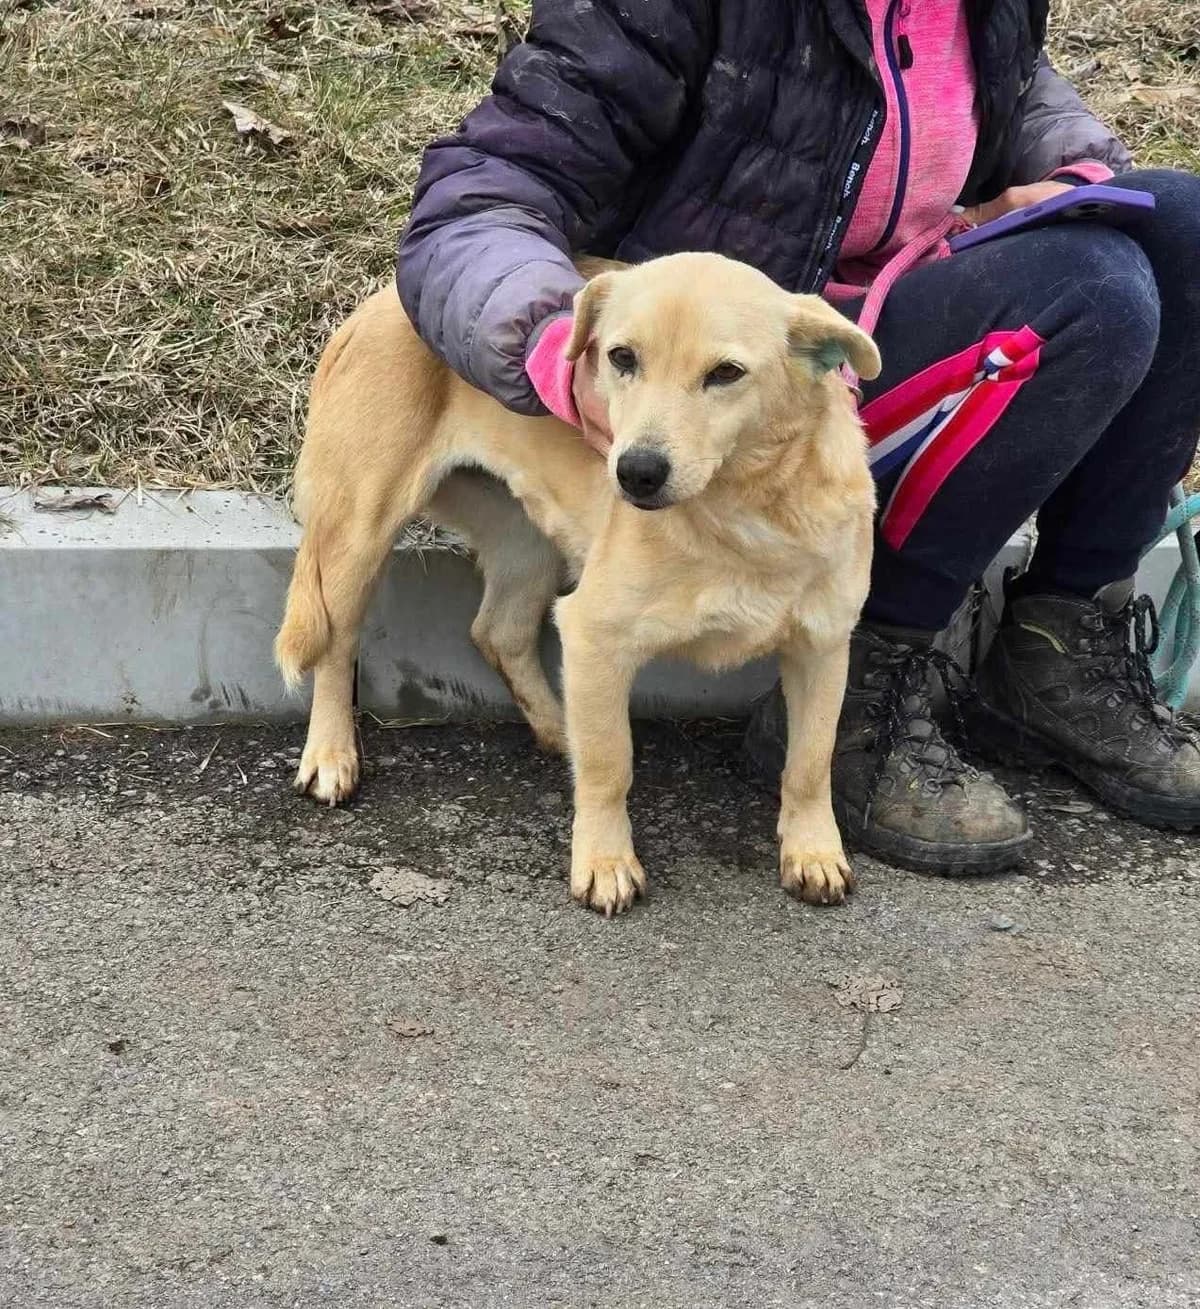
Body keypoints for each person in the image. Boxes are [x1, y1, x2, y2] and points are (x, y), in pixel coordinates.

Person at [397, 0, 1200, 874]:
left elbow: (1001, 81)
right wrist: (567, 348)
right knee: (1098, 287)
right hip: (714, 353)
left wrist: (1074, 171)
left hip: (858, 330)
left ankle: (1061, 646)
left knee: (1175, 222)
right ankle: (877, 679)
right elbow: (479, 196)